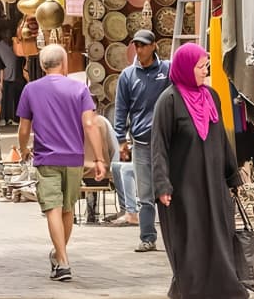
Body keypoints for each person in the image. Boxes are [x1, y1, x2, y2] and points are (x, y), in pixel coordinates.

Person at [152, 43, 248, 299]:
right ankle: (189, 289)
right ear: (185, 68)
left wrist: (232, 175)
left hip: (214, 183)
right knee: (190, 240)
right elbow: (158, 146)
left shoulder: (212, 96)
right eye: (201, 67)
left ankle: (225, 288)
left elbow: (221, 139)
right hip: (184, 187)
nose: (205, 71)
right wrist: (162, 185)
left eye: (206, 66)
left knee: (218, 235)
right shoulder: (169, 100)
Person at [17, 44, 105, 282]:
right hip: (74, 158)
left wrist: (24, 149)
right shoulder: (79, 89)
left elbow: (24, 128)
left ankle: (62, 259)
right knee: (67, 209)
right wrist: (99, 158)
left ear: (43, 65)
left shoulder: (30, 89)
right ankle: (60, 257)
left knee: (52, 209)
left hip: (46, 158)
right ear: (64, 63)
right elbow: (90, 124)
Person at [114, 29, 170, 252]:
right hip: (142, 143)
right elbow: (121, 109)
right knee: (145, 194)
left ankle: (176, 237)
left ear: (154, 45)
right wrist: (121, 139)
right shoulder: (127, 76)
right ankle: (147, 237)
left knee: (168, 191)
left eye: (144, 45)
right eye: (136, 45)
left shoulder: (167, 70)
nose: (140, 49)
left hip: (167, 142)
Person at [82, 113, 118, 224]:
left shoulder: (74, 121)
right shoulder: (103, 121)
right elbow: (114, 149)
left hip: (80, 177)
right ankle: (93, 209)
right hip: (103, 174)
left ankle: (90, 209)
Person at [0, 33, 25, 126]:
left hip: (13, 77)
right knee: (2, 99)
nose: (8, 38)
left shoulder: (14, 46)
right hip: (2, 78)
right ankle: (2, 118)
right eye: (6, 35)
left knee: (10, 99)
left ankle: (10, 118)